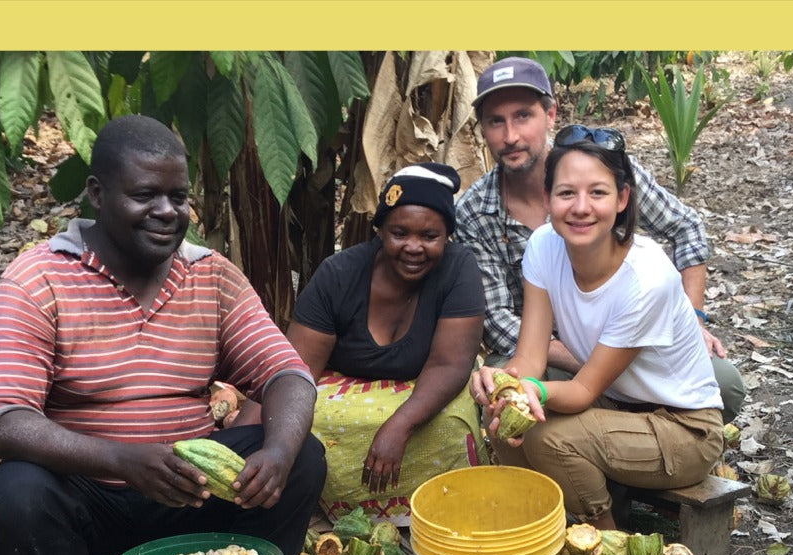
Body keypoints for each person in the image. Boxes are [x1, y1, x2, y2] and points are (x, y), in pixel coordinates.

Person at [0, 115, 326, 555]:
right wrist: (118, 458)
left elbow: (287, 375)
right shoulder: (38, 278)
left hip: (189, 490)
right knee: (17, 493)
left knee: (303, 456)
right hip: (89, 497)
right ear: (97, 193)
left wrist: (278, 451)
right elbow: (0, 418)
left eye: (178, 197)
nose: (166, 211)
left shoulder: (210, 275)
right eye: (144, 195)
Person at [456, 56, 746, 423]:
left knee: (725, 386)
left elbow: (685, 227)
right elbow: (499, 320)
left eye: (523, 116)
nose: (510, 136)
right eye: (496, 121)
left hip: (629, 335)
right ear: (482, 129)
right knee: (505, 398)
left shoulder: (603, 166)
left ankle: (640, 434)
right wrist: (589, 365)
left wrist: (694, 319)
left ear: (550, 114)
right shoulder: (473, 212)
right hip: (549, 355)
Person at [470, 125, 724, 530]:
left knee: (550, 438)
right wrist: (502, 383)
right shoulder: (543, 247)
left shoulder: (647, 278)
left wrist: (533, 391)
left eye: (598, 193)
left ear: (622, 199)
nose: (581, 207)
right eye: (566, 193)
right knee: (500, 420)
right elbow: (530, 357)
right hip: (617, 405)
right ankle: (540, 525)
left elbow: (583, 390)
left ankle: (606, 540)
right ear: (547, 199)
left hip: (685, 428)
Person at [286, 162, 487, 525]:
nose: (413, 247)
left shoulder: (459, 269)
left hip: (425, 385)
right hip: (345, 392)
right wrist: (254, 437)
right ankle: (333, 509)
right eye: (399, 233)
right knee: (309, 420)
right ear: (379, 230)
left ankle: (435, 512)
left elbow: (449, 363)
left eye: (430, 236)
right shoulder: (338, 274)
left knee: (453, 419)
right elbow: (296, 370)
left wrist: (399, 425)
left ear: (447, 236)